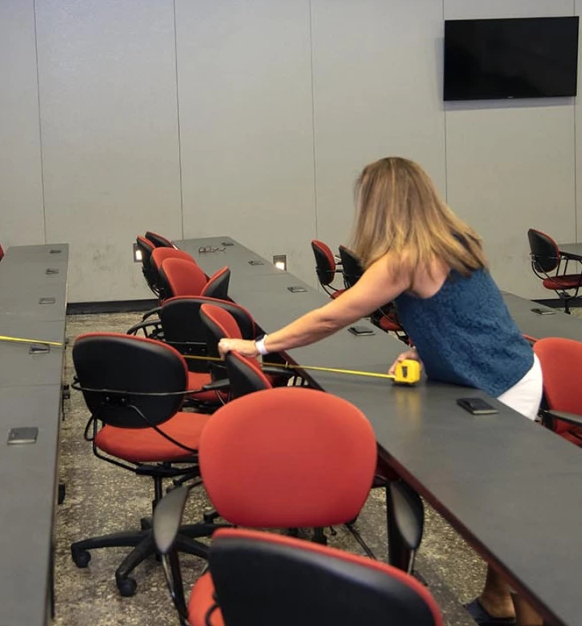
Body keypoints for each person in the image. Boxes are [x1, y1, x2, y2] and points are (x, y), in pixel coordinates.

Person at [217, 157, 543, 626]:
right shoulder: (451, 239)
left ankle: (526, 609)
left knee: (502, 519)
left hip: (502, 384)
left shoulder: (405, 258)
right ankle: (497, 600)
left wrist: (260, 345)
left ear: (379, 205)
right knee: (495, 506)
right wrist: (424, 350)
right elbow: (456, 315)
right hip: (506, 370)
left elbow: (333, 316)